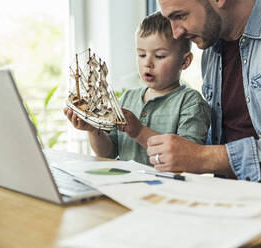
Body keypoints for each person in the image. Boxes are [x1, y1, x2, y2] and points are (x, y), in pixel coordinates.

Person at [148, 0, 261, 199]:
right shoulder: (212, 49)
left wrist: (204, 157)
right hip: (234, 200)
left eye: (180, 16)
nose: (176, 33)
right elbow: (226, 134)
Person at [64, 11, 211, 166]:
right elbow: (108, 153)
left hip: (169, 188)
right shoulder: (127, 98)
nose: (148, 63)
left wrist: (139, 132)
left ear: (185, 61)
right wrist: (93, 130)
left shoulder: (191, 102)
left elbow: (188, 158)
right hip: (128, 186)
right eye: (141, 55)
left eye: (159, 56)